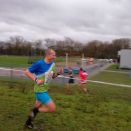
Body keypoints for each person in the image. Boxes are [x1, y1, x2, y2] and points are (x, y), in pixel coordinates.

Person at [24, 49, 63, 129]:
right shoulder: (39, 63)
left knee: (37, 106)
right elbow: (26, 72)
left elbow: (50, 77)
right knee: (52, 108)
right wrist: (36, 80)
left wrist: (58, 73)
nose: (55, 57)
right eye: (53, 55)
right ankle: (35, 111)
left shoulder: (53, 64)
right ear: (48, 55)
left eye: (55, 55)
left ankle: (28, 123)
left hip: (44, 89)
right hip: (40, 91)